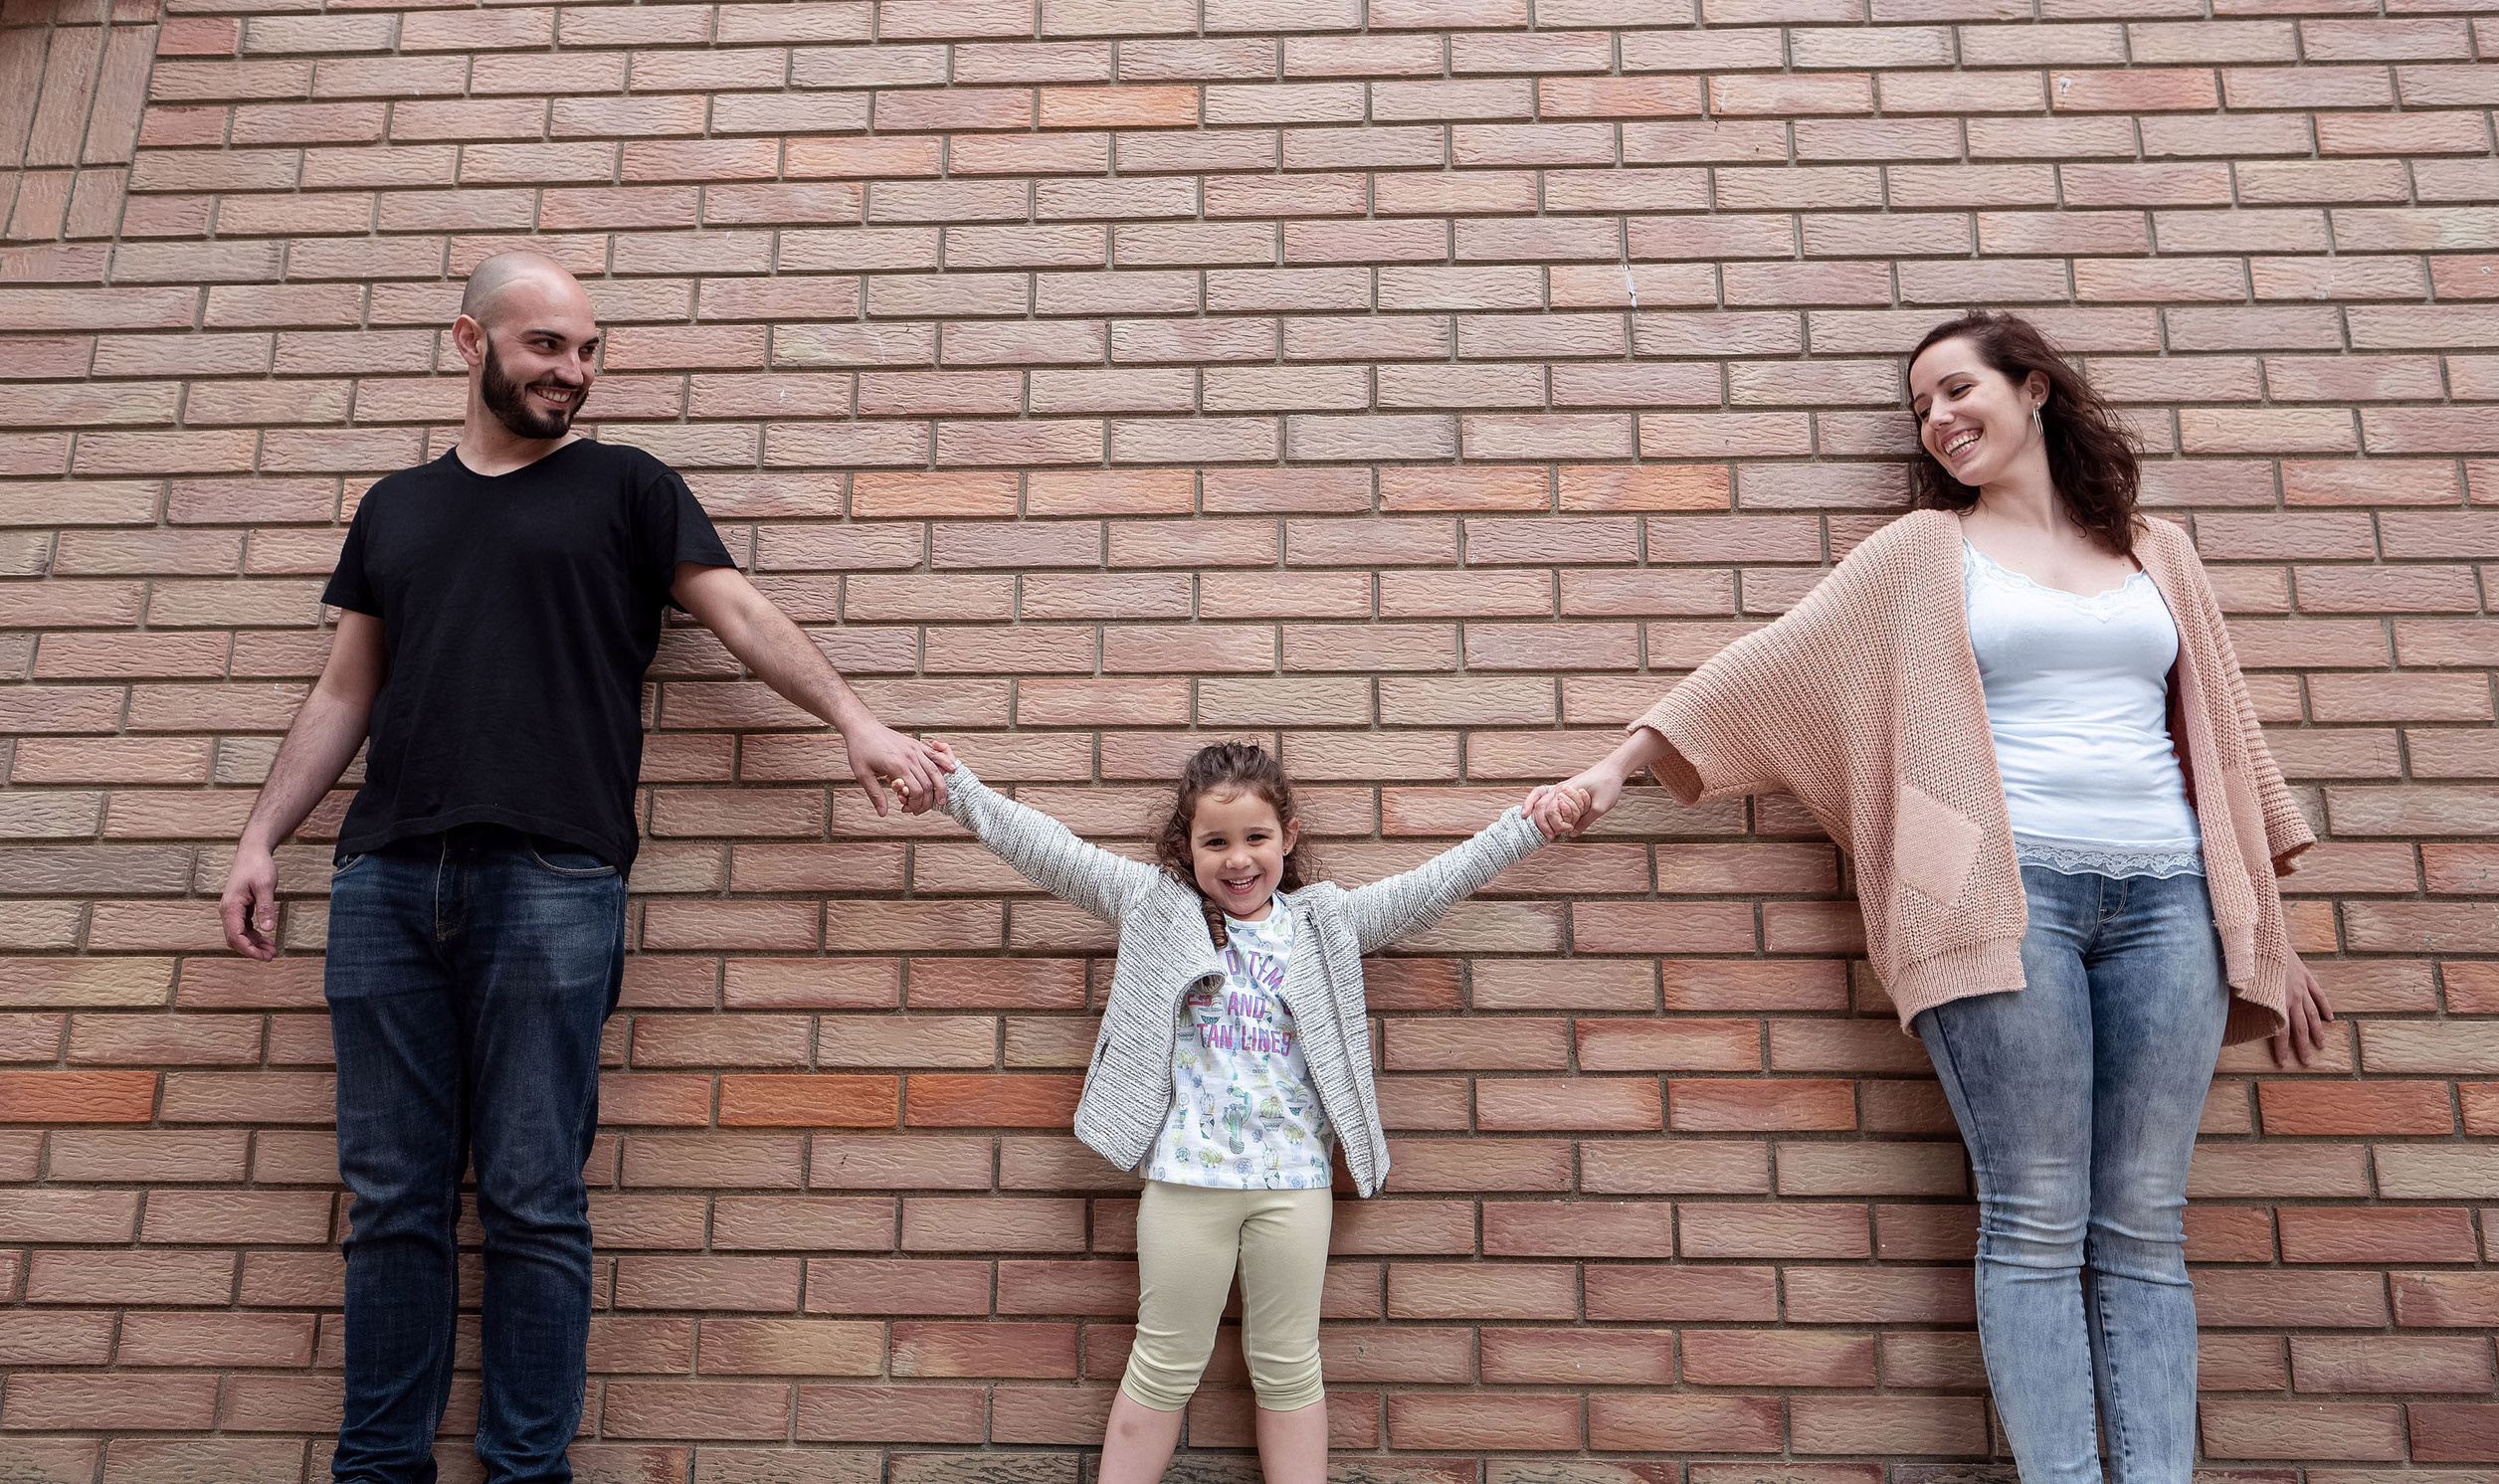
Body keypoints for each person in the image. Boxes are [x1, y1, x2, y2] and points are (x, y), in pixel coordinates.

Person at [1542, 310, 2332, 1484]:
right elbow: (1771, 661)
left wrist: (2265, 917)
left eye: (1957, 389)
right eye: (1922, 408)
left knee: (2143, 1224)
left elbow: (2221, 730)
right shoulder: (1922, 551)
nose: (1940, 419)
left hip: (2171, 898)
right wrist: (1611, 766)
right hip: (1999, 904)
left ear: (2035, 391)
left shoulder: (2158, 549)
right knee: (2034, 1210)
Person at [216, 251, 946, 1484]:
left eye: (589, 349)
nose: (575, 371)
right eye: (547, 345)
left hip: (553, 882)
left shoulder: (627, 487)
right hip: (386, 879)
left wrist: (854, 720)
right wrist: (259, 836)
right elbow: (347, 688)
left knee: (531, 1199)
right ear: (470, 343)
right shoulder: (395, 506)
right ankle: (377, 1468)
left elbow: (744, 614)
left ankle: (525, 1470)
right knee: (391, 1202)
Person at [920, 736, 1577, 1484]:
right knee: (1164, 1362)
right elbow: (1049, 849)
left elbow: (1434, 885)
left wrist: (1528, 826)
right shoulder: (1154, 907)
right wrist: (956, 790)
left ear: (1287, 838)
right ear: (1187, 847)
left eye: (1256, 837)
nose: (1238, 859)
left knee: (1289, 1366)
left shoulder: (1324, 925)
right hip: (1184, 1185)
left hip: (1293, 1189)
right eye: (1216, 841)